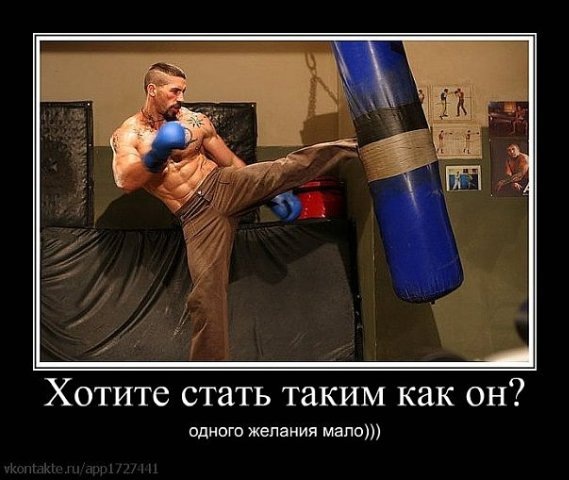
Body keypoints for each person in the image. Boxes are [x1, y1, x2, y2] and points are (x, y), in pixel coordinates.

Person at [110, 62, 358, 361]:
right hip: (196, 217)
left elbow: (228, 161)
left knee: (286, 168)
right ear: (152, 89)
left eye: (183, 91)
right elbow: (125, 181)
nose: (181, 98)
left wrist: (268, 194)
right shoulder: (129, 134)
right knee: (206, 298)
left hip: (222, 185)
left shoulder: (195, 121)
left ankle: (362, 144)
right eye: (174, 91)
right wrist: (155, 155)